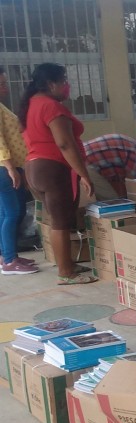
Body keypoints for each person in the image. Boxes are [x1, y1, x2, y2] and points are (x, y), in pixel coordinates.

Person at [20, 62, 97, 284]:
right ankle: (66, 273)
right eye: (63, 81)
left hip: (35, 167)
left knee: (59, 218)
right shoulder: (51, 107)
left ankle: (68, 264)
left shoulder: (32, 104)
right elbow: (65, 144)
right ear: (51, 83)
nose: (67, 86)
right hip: (52, 169)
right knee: (60, 221)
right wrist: (83, 173)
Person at [0, 66, 37, 275]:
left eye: (5, 82)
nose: (5, 86)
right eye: (2, 83)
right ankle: (10, 261)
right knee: (13, 213)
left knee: (6, 213)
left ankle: (7, 255)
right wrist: (10, 168)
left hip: (9, 167)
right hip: (4, 168)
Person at [83, 133, 136, 200]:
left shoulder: (134, 146)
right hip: (85, 162)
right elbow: (135, 185)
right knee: (112, 200)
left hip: (84, 156)